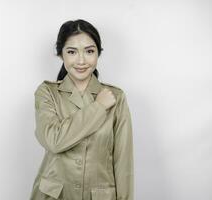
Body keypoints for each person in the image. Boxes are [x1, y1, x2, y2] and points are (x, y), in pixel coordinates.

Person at [29, 19, 134, 200]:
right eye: (71, 52)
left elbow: (123, 162)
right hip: (54, 195)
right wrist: (99, 107)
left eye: (89, 51)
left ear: (98, 54)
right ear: (61, 55)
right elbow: (54, 140)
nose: (81, 60)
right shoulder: (47, 93)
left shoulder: (116, 97)